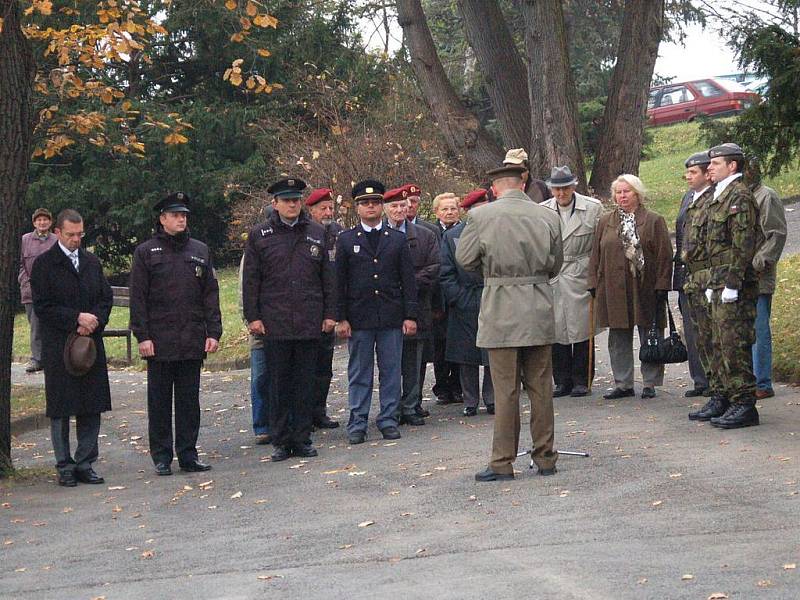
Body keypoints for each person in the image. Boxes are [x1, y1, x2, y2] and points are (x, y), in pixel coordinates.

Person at [457, 163, 563, 482]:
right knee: (541, 387)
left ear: (495, 188)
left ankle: (502, 462)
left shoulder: (480, 216)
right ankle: (545, 457)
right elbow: (556, 263)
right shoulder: (547, 215)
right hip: (538, 305)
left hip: (500, 308)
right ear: (523, 183)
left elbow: (464, 259)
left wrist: (494, 276)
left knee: (506, 391)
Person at [242, 179, 336, 461]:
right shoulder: (260, 235)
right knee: (278, 383)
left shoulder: (318, 232)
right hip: (275, 321)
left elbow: (329, 279)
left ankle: (302, 437)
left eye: (296, 199)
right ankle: (282, 440)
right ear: (275, 204)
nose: (292, 204)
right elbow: (251, 281)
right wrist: (253, 317)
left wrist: (331, 314)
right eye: (286, 200)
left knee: (305, 383)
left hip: (309, 319)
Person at [129, 192, 222, 475]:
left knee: (188, 403)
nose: (181, 219)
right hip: (159, 339)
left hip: (191, 337)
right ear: (162, 219)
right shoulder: (146, 252)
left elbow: (210, 294)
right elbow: (138, 298)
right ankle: (161, 455)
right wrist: (142, 335)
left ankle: (188, 454)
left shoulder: (199, 250)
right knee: (159, 402)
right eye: (175, 215)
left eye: (184, 215)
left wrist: (214, 331)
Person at [31, 209, 113, 487]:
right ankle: (64, 465)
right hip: (59, 345)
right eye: (70, 235)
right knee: (61, 407)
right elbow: (42, 307)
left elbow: (105, 297)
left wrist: (94, 321)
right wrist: (75, 318)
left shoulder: (91, 262)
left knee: (91, 404)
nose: (76, 239)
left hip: (89, 343)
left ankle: (85, 462)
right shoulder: (45, 264)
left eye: (80, 234)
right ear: (58, 233)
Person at [335, 180, 418, 445]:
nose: (370, 207)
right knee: (360, 372)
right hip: (359, 317)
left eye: (375, 202)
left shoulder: (396, 239)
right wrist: (341, 317)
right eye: (365, 203)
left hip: (391, 315)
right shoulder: (347, 240)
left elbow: (408, 280)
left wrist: (410, 315)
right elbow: (339, 282)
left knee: (391, 371)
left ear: (381, 206)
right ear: (357, 208)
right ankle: (358, 421)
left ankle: (388, 419)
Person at [587, 174, 673, 400]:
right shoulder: (606, 221)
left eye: (627, 191)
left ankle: (650, 382)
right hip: (613, 287)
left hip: (645, 285)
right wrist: (593, 283)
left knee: (650, 332)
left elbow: (665, 255)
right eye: (618, 192)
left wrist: (663, 284)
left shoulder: (654, 220)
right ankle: (623, 383)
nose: (622, 196)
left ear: (637, 193)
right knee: (618, 336)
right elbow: (596, 254)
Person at [696, 143, 761, 428]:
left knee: (735, 343)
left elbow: (743, 244)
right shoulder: (719, 195)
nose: (710, 167)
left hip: (735, 283)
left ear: (732, 166)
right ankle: (726, 396)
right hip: (718, 280)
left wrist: (733, 283)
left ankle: (744, 403)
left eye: (716, 163)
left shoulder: (739, 196)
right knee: (718, 342)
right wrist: (714, 282)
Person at [541, 166, 602, 398]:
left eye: (565, 188)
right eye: (556, 189)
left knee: (583, 329)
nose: (561, 193)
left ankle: (582, 380)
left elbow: (598, 245)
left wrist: (595, 276)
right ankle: (561, 380)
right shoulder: (542, 210)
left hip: (581, 272)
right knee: (557, 330)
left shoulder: (592, 208)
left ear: (574, 187)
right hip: (554, 273)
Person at [383, 185, 439, 426]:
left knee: (414, 361)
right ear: (386, 209)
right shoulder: (379, 234)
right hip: (386, 307)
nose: (399, 210)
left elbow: (435, 267)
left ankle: (411, 405)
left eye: (403, 205)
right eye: (394, 206)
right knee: (389, 362)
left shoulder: (425, 235)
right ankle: (391, 408)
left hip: (418, 305)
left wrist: (407, 283)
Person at [440, 188, 495, 417]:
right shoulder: (452, 235)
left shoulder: (497, 229)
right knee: (467, 354)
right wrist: (459, 297)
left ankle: (493, 399)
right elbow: (445, 272)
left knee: (494, 351)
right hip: (465, 297)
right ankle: (470, 400)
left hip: (493, 296)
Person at [747, 160, 787, 400]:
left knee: (759, 329)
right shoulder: (740, 196)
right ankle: (750, 378)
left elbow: (776, 235)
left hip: (758, 276)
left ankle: (762, 381)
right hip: (742, 276)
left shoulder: (766, 197)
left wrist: (759, 262)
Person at [674, 153, 713, 398]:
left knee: (709, 328)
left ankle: (713, 380)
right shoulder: (688, 197)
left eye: (693, 172)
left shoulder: (713, 198)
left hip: (706, 272)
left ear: (707, 174)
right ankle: (700, 380)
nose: (688, 177)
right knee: (691, 328)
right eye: (687, 172)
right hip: (686, 273)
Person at [306, 187, 343, 429]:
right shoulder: (307, 234)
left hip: (330, 309)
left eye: (331, 208)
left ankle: (319, 411)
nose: (328, 212)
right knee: (305, 368)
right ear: (311, 211)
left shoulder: (338, 233)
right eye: (323, 209)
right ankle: (303, 414)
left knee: (324, 368)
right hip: (308, 309)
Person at [238, 205, 272, 445]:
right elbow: (244, 289)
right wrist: (250, 319)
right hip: (260, 326)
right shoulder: (254, 251)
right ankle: (261, 424)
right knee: (260, 378)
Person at [430, 192, 462, 405]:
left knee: (459, 343)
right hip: (436, 297)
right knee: (439, 346)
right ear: (436, 212)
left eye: (453, 208)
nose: (449, 212)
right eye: (445, 209)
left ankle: (459, 386)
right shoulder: (430, 232)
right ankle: (442, 387)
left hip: (459, 295)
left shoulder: (465, 231)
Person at [18, 207, 57, 373]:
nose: (42, 222)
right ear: (34, 222)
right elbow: (20, 264)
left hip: (53, 292)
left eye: (45, 219)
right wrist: (25, 282)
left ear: (50, 222)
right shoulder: (25, 240)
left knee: (53, 325)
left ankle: (52, 358)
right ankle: (37, 359)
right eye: (39, 220)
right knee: (35, 326)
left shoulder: (56, 240)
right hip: (31, 291)